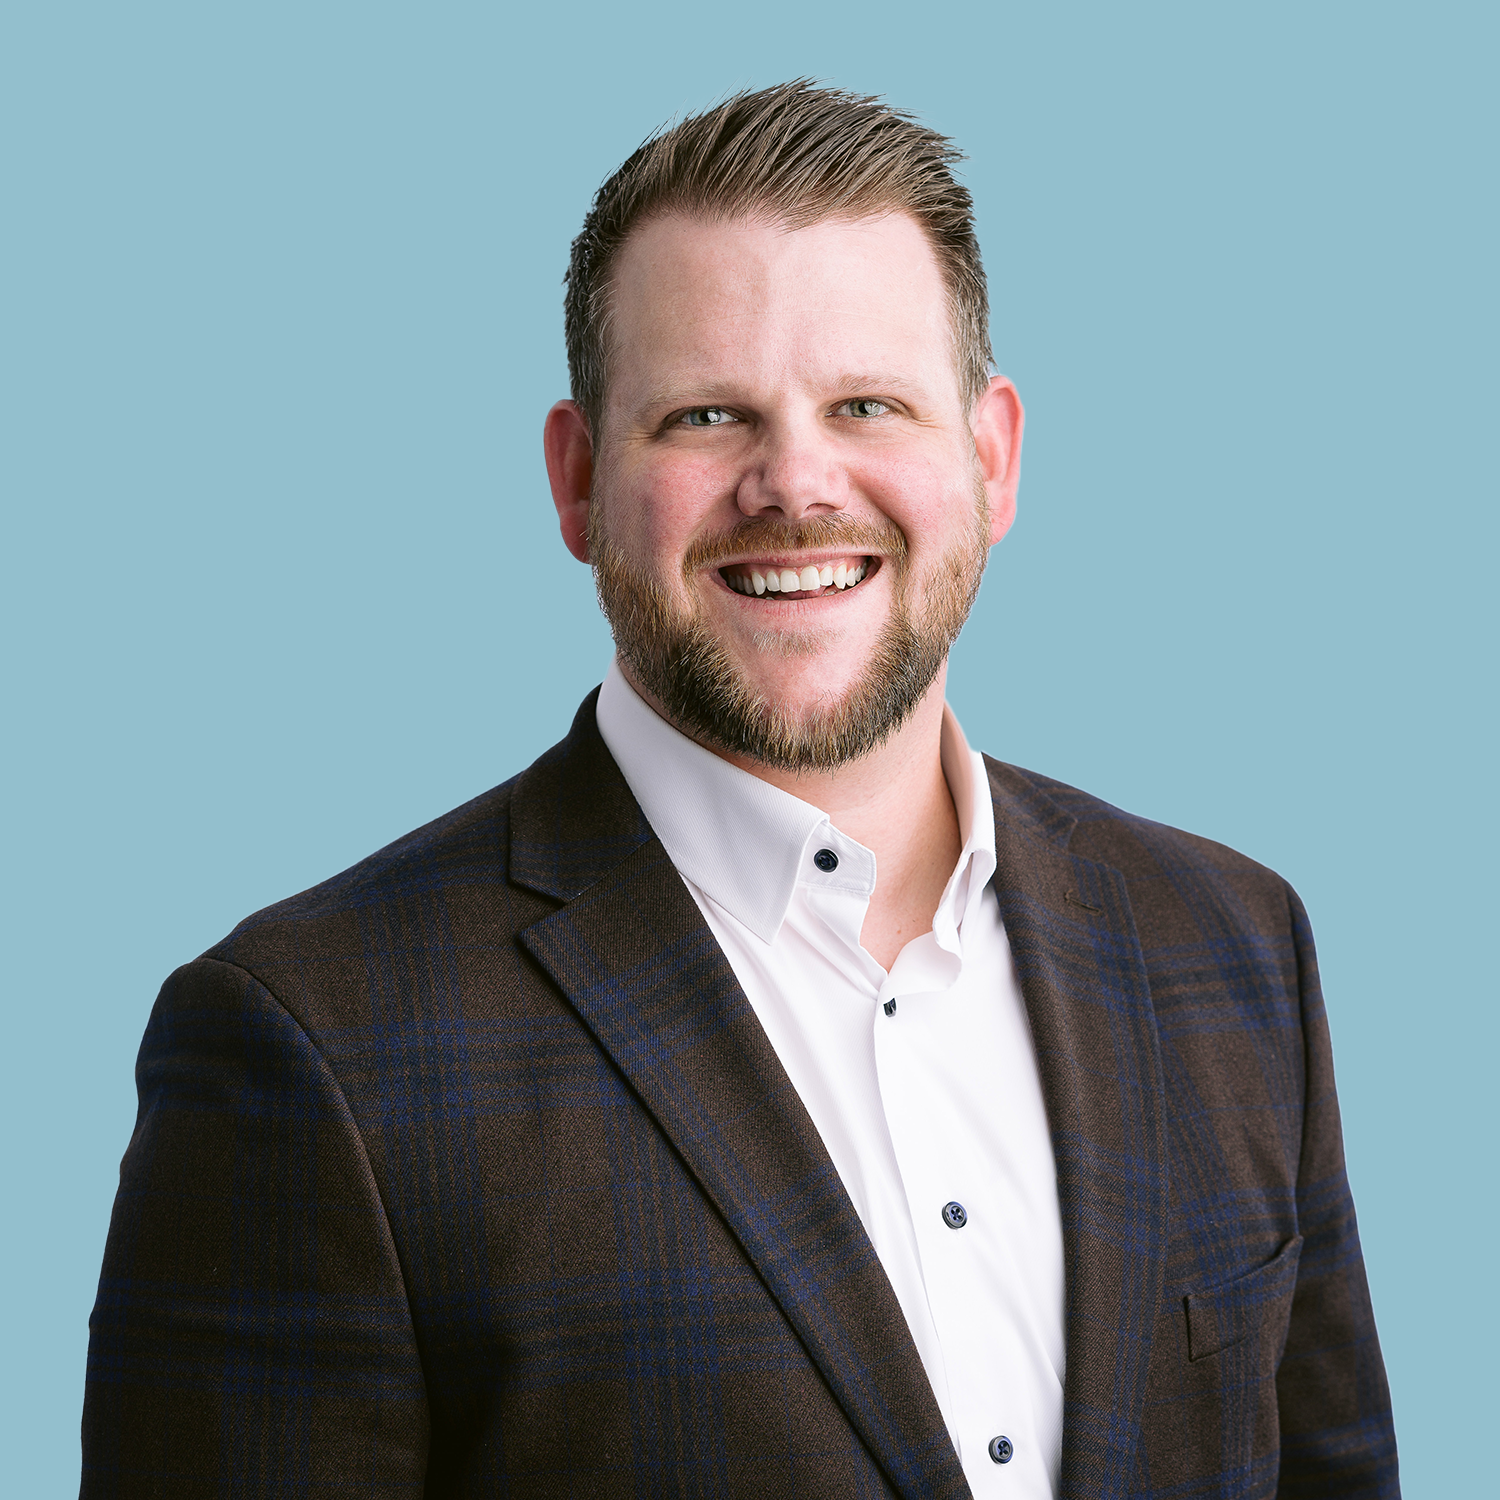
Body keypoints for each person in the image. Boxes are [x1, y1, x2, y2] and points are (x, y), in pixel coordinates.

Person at [81, 82, 1398, 1498]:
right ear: (577, 480)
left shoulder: (1230, 945)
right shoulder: (315, 1046)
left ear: (991, 458)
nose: (795, 483)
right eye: (708, 416)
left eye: (868, 404)